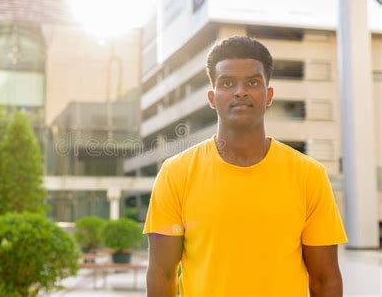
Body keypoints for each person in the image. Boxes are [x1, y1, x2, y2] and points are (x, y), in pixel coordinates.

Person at [144, 36, 348, 297]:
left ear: (269, 95)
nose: (241, 91)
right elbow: (162, 274)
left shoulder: (309, 175)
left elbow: (325, 279)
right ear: (212, 97)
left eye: (253, 82)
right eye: (227, 83)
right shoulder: (175, 174)